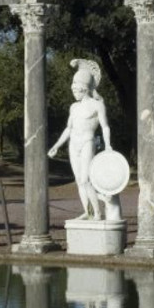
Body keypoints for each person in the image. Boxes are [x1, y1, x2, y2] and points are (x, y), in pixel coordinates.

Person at [48, 59, 112, 220]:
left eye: (77, 90)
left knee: (86, 179)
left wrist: (108, 145)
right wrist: (56, 145)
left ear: (85, 89)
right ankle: (88, 211)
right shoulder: (74, 107)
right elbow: (69, 129)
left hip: (87, 142)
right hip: (73, 144)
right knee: (79, 181)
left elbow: (105, 126)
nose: (74, 93)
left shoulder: (97, 105)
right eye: (73, 90)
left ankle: (97, 212)